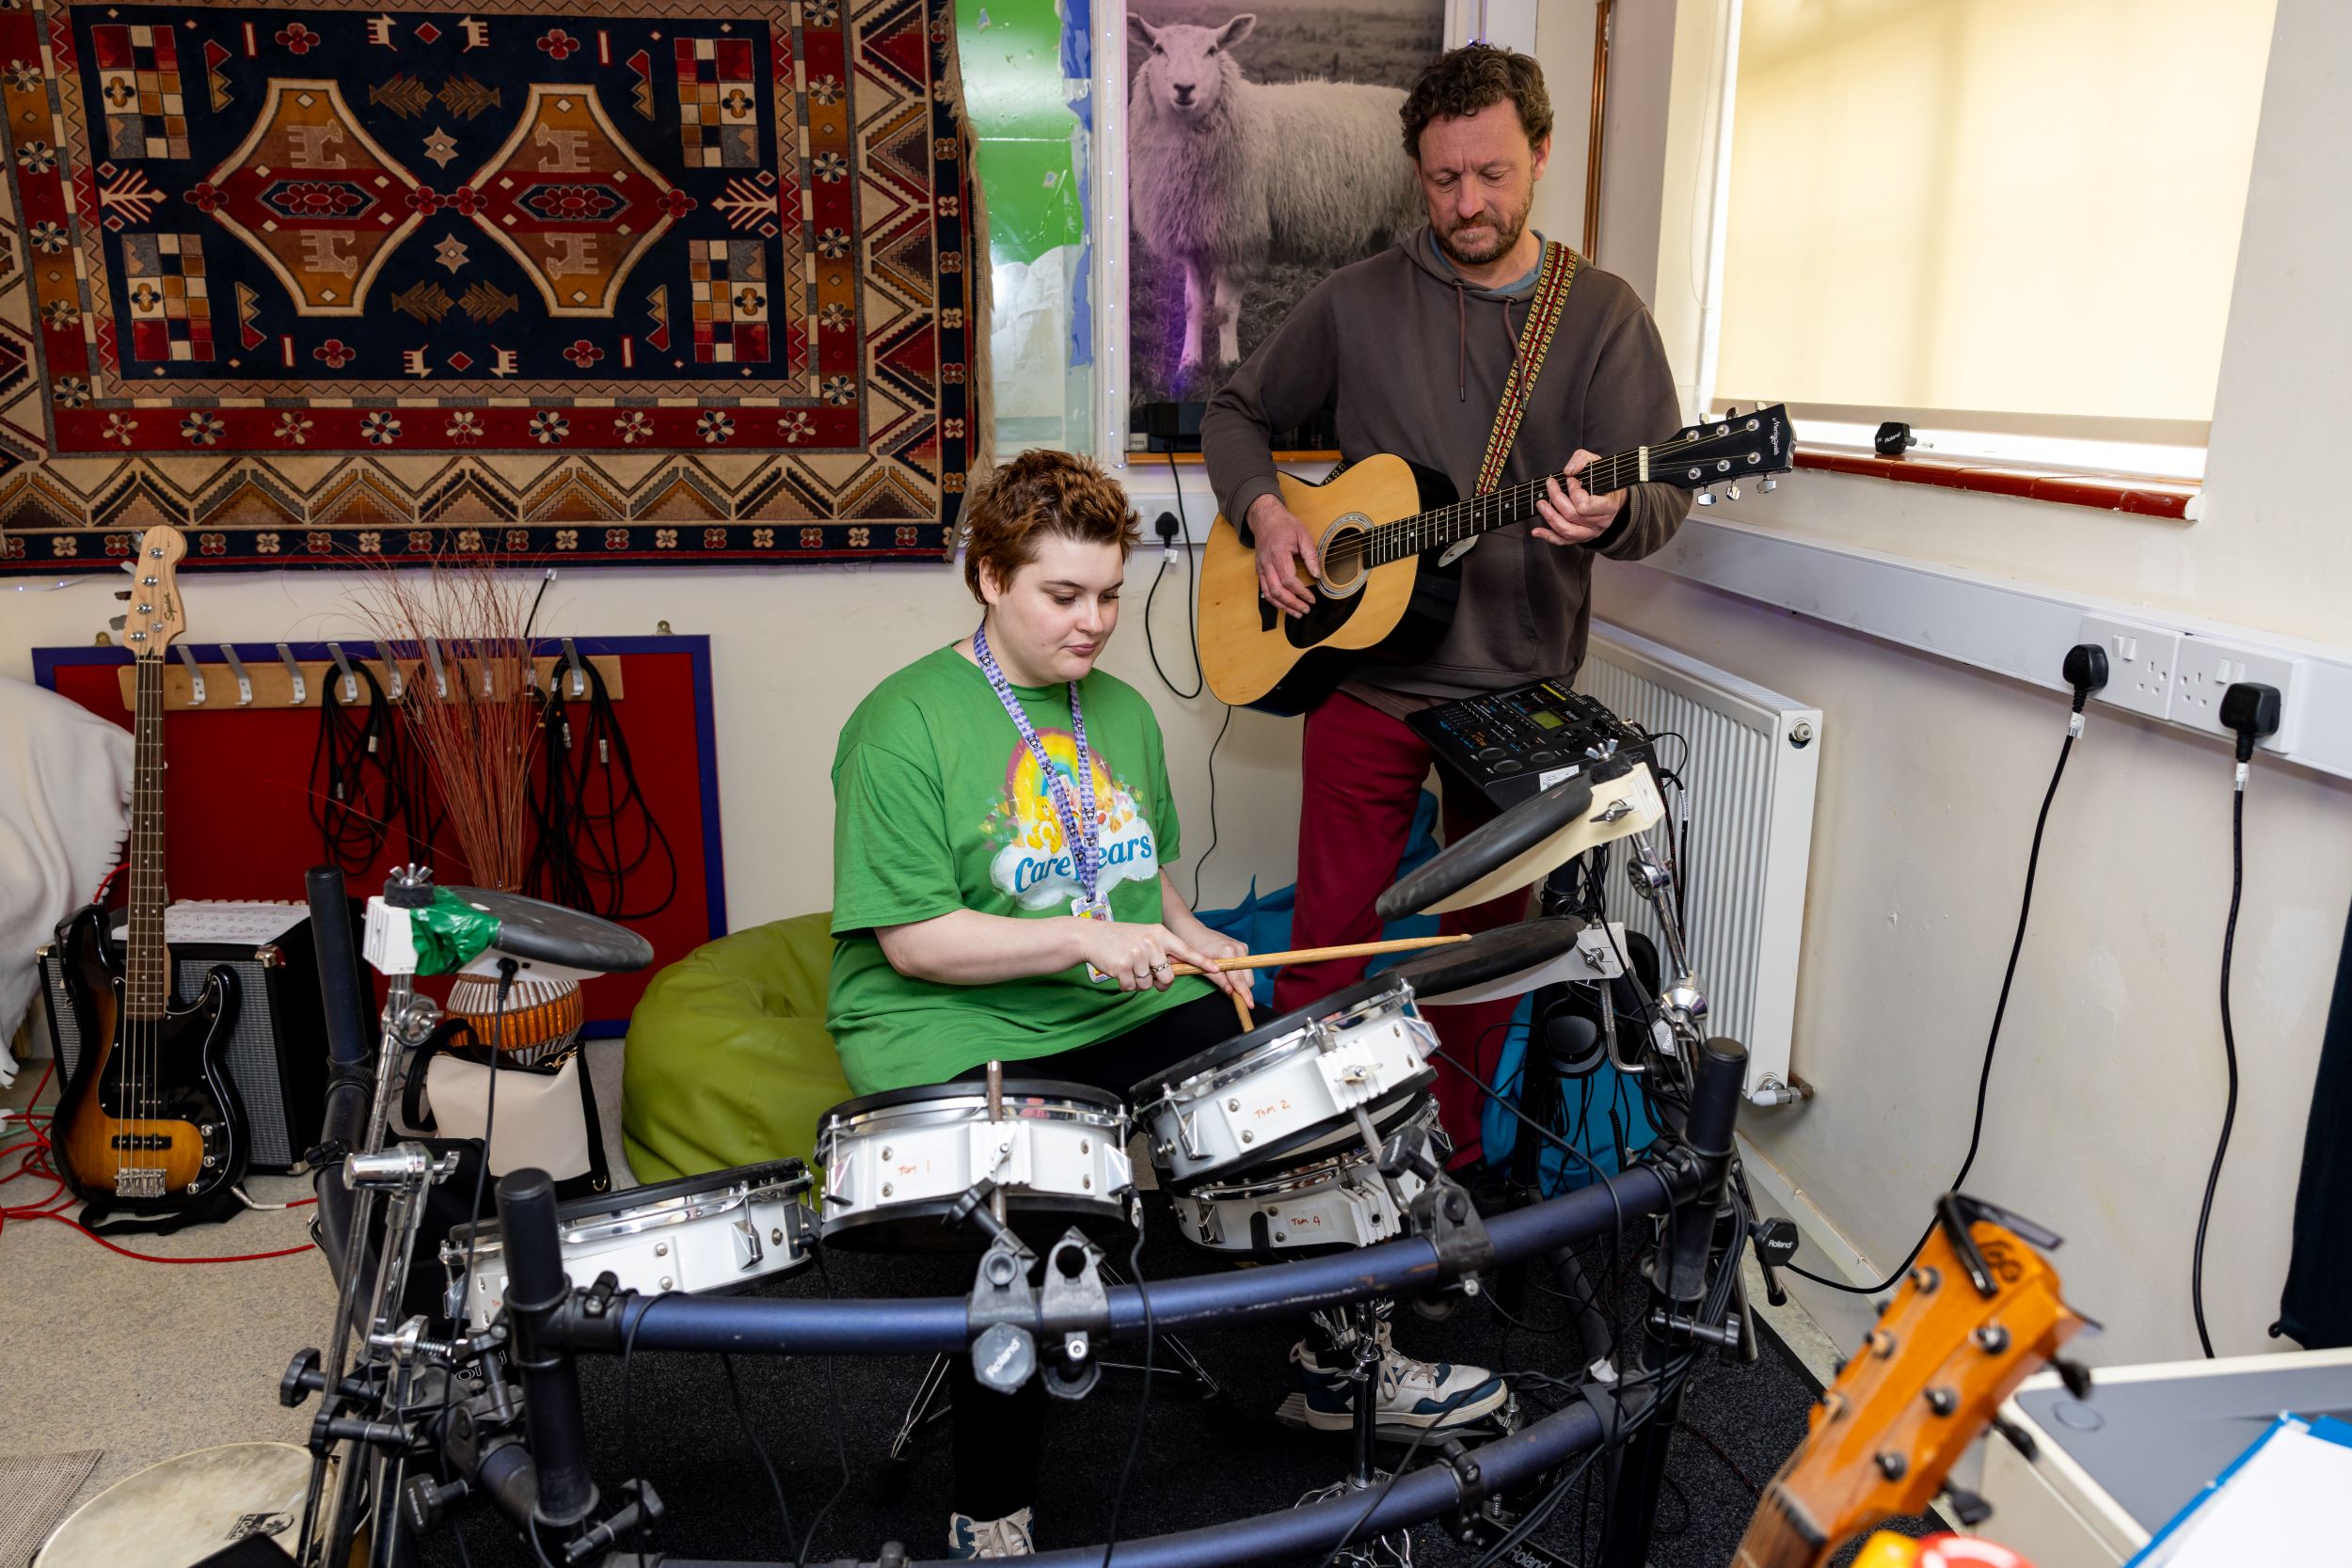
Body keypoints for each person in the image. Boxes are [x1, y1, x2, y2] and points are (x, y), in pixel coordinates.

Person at [826, 449, 1505, 1559]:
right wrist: (1090, 935)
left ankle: (1335, 1366)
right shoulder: (900, 722)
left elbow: (1140, 876)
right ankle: (990, 1507)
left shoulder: (1121, 713)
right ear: (989, 576)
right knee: (1036, 1214)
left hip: (1107, 1004)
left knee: (1299, 1094)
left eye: (1107, 595)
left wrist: (1195, 938)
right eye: (1061, 595)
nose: (1092, 623)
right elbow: (917, 939)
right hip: (946, 1024)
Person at [1200, 43, 1693, 1159]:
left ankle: (1452, 1167)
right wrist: (1270, 517)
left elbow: (1661, 498)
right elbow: (1235, 410)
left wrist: (1608, 518)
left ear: (1541, 155)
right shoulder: (1358, 299)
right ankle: (1298, 1157)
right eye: (1442, 180)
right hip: (1365, 680)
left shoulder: (1605, 317)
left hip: (1511, 693)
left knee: (1482, 955)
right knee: (1325, 940)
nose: (1468, 204)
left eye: (1493, 175)